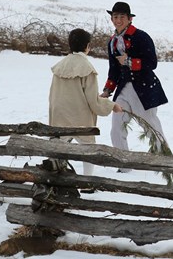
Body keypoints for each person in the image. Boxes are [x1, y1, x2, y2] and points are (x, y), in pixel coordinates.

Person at [100, 2, 168, 167]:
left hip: (143, 89)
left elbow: (152, 63)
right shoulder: (112, 42)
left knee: (151, 126)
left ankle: (165, 161)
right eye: (115, 17)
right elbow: (114, 69)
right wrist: (108, 89)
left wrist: (129, 61)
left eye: (121, 17)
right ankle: (123, 162)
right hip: (123, 90)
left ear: (129, 19)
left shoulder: (141, 37)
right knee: (116, 127)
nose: (118, 20)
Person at [49, 28, 122, 176]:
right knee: (88, 148)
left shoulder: (60, 66)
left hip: (59, 114)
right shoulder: (87, 68)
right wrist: (112, 105)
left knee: (57, 147)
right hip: (79, 117)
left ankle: (53, 178)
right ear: (87, 46)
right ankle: (87, 181)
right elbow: (93, 102)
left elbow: (53, 94)